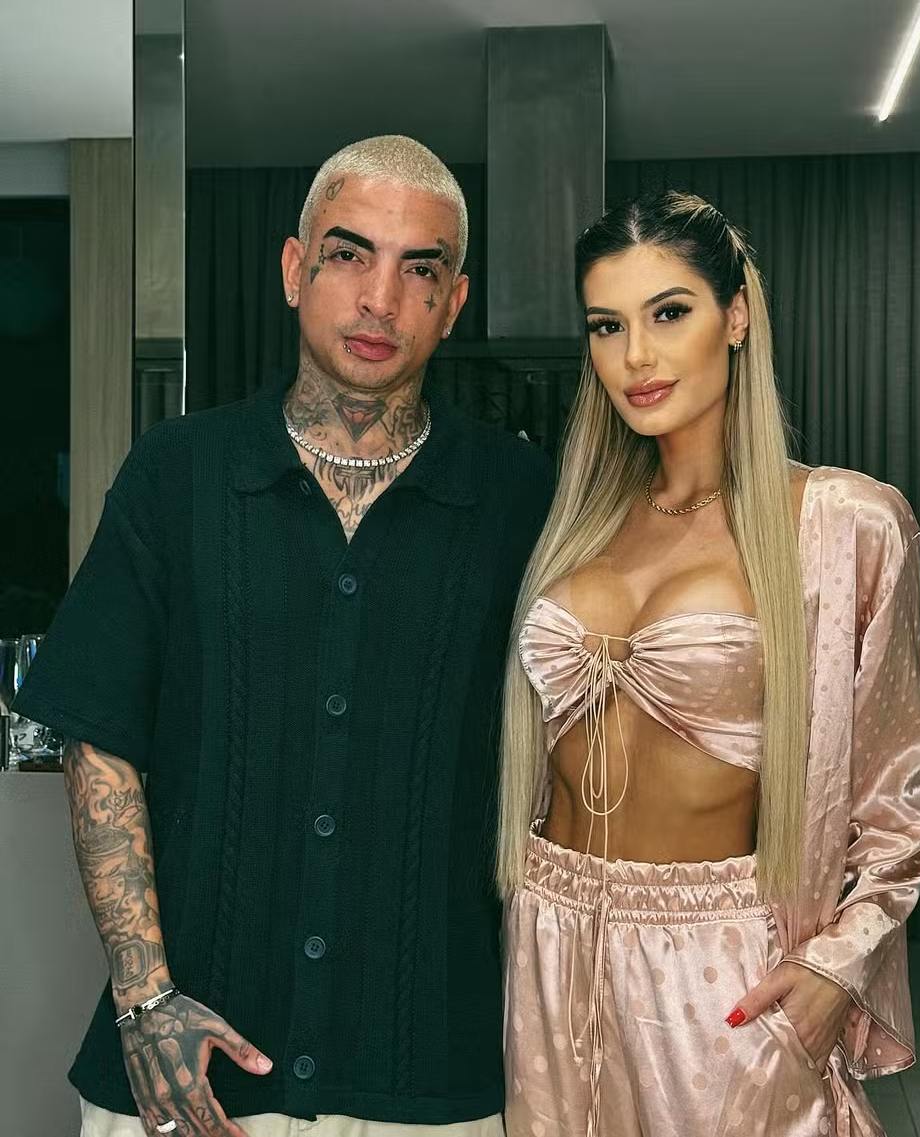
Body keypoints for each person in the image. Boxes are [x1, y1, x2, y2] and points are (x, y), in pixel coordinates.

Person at [14, 135, 554, 1137]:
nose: (381, 299)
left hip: (432, 1083)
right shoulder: (176, 473)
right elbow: (101, 740)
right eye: (350, 254)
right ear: (295, 268)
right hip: (187, 1073)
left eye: (420, 269)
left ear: (454, 302)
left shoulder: (523, 499)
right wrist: (144, 999)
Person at [497, 189, 920, 1137]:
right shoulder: (575, 523)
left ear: (736, 316)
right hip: (551, 933)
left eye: (669, 312)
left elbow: (898, 798)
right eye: (607, 325)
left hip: (719, 965)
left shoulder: (842, 524)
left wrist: (836, 966)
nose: (636, 356)